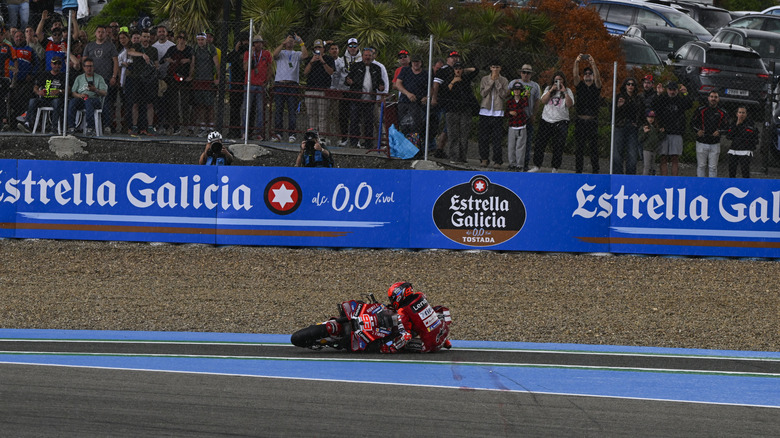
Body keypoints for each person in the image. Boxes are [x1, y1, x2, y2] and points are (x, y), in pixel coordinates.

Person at [380, 281, 451, 353]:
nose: (392, 301)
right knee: (430, 314)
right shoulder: (420, 295)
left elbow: (406, 336)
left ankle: (431, 344)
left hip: (431, 345)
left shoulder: (403, 311)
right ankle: (446, 342)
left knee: (402, 338)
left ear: (399, 295)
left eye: (392, 298)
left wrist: (392, 347)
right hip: (443, 331)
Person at [529, 71, 574, 173]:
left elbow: (570, 104)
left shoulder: (568, 90)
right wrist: (551, 90)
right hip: (546, 120)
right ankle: (537, 166)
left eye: (560, 80)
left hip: (561, 121)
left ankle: (555, 168)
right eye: (556, 80)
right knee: (540, 143)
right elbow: (543, 101)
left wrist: (564, 92)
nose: (558, 82)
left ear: (563, 81)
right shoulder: (548, 88)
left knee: (558, 145)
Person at [271, 32, 308, 143]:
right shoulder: (281, 52)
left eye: (292, 40)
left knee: (292, 110)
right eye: (288, 40)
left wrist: (301, 42)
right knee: (279, 110)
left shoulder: (296, 54)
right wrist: (283, 43)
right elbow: (274, 55)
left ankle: (292, 134)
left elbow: (305, 55)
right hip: (280, 84)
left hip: (292, 84)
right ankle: (278, 133)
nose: (290, 42)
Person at [345, 47, 384, 148]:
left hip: (370, 100)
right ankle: (354, 141)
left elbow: (380, 81)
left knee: (368, 122)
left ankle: (368, 142)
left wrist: (381, 86)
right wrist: (349, 81)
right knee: (354, 120)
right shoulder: (355, 66)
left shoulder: (377, 68)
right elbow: (348, 79)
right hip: (357, 98)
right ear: (362, 56)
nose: (367, 57)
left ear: (372, 57)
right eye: (366, 55)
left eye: (369, 56)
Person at [83, 24, 119, 134]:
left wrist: (114, 76)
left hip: (106, 79)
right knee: (90, 100)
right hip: (91, 79)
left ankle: (107, 125)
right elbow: (84, 61)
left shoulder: (110, 46)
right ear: (95, 33)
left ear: (105, 33)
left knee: (106, 102)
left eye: (103, 32)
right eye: (98, 31)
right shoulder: (89, 46)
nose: (100, 34)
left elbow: (115, 62)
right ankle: (91, 126)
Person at [653, 81, 693, 176]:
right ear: (667, 90)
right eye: (670, 89)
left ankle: (674, 179)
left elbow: (689, 104)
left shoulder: (680, 100)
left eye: (674, 90)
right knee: (663, 157)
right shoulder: (662, 98)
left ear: (677, 90)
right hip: (664, 132)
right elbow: (654, 105)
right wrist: (658, 93)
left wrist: (685, 93)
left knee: (675, 158)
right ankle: (664, 178)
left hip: (676, 132)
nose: (672, 92)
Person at [442, 61, 478, 163]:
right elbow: (445, 91)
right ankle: (453, 156)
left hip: (465, 110)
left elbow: (476, 70)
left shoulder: (466, 79)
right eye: (456, 68)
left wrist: (465, 69)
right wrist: (454, 81)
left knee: (464, 134)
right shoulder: (449, 78)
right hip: (452, 110)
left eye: (460, 68)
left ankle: (462, 157)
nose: (458, 70)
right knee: (453, 134)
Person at [18, 56, 65, 133]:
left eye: (59, 64)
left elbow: (68, 90)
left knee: (56, 102)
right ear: (51, 64)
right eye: (55, 63)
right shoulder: (44, 74)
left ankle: (54, 127)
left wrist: (59, 91)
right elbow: (35, 87)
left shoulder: (63, 76)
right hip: (44, 99)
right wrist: (38, 92)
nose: (57, 65)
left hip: (57, 100)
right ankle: (28, 124)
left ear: (61, 65)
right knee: (32, 101)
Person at [572, 54, 602, 174]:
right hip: (580, 121)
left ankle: (596, 172)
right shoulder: (580, 86)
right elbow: (575, 75)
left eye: (590, 73)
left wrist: (593, 64)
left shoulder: (596, 86)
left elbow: (598, 79)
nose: (588, 75)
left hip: (592, 121)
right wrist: (576, 62)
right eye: (585, 74)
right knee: (579, 148)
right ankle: (578, 171)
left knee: (593, 149)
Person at [430, 50, 463, 158]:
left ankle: (440, 149)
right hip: (441, 101)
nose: (455, 59)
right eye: (452, 57)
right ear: (447, 59)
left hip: (452, 102)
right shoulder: (443, 70)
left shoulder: (457, 70)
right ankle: (434, 147)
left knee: (447, 127)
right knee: (436, 125)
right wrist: (434, 98)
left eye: (457, 57)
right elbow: (436, 84)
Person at [508, 64, 541, 171]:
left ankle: (523, 165)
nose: (526, 74)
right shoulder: (514, 82)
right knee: (512, 144)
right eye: (524, 72)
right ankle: (512, 163)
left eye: (528, 73)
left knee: (525, 144)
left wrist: (533, 114)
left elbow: (537, 101)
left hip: (527, 117)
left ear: (531, 74)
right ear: (520, 73)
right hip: (514, 119)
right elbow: (507, 95)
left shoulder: (535, 86)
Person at [127, 29, 159, 135]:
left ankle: (149, 126)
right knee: (135, 103)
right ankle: (135, 126)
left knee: (149, 104)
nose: (146, 39)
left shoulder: (153, 50)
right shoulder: (136, 47)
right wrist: (142, 55)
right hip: (137, 78)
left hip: (149, 80)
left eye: (148, 37)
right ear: (140, 37)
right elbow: (129, 52)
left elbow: (156, 64)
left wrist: (154, 67)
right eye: (144, 37)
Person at [478, 60, 509, 168]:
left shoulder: (504, 80)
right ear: (490, 68)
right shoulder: (485, 79)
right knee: (483, 137)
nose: (495, 69)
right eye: (493, 67)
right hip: (485, 111)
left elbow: (504, 95)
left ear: (500, 68)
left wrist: (497, 83)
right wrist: (491, 81)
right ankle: (484, 159)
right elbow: (483, 93)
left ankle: (497, 160)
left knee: (497, 138)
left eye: (497, 67)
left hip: (497, 112)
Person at [160, 32, 192, 136]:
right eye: (180, 38)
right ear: (177, 39)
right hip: (173, 78)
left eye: (183, 38)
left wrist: (188, 60)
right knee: (173, 103)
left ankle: (186, 126)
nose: (181, 40)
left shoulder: (189, 50)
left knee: (185, 103)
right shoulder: (172, 49)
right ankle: (175, 126)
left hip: (185, 78)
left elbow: (194, 61)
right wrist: (168, 59)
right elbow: (162, 60)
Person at [303, 38, 334, 145]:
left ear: (323, 49)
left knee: (323, 115)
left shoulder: (329, 59)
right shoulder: (309, 59)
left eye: (319, 47)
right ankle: (312, 135)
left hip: (323, 90)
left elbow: (330, 72)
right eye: (316, 48)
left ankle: (322, 136)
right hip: (310, 90)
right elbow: (305, 73)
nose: (317, 50)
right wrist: (311, 62)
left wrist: (322, 61)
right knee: (312, 114)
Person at [188, 32, 219, 137]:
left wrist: (219, 78)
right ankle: (202, 127)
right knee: (200, 104)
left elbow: (216, 63)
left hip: (208, 80)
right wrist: (190, 75)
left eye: (202, 39)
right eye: (199, 39)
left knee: (209, 105)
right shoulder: (195, 49)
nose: (200, 41)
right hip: (198, 80)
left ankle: (211, 127)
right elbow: (193, 63)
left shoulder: (211, 49)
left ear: (206, 40)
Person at [67, 57, 108, 135]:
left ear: (93, 67)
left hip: (95, 99)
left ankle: (90, 128)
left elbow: (104, 93)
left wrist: (95, 90)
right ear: (83, 67)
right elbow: (73, 92)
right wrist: (80, 95)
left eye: (91, 66)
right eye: (87, 66)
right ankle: (71, 127)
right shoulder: (79, 78)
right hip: (81, 99)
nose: (89, 68)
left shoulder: (99, 78)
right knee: (72, 102)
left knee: (89, 102)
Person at [332, 37, 360, 146]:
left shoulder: (362, 59)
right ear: (347, 47)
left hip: (356, 92)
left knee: (355, 117)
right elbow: (336, 76)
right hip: (343, 91)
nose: (352, 48)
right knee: (343, 116)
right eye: (350, 46)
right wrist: (335, 88)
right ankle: (344, 139)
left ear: (357, 47)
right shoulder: (340, 60)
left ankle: (356, 140)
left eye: (354, 46)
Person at [242, 34, 272, 140]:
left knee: (260, 109)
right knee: (247, 108)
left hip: (260, 85)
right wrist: (251, 55)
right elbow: (245, 68)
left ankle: (260, 133)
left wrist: (266, 81)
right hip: (249, 84)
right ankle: (244, 132)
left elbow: (269, 68)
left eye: (260, 42)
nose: (258, 44)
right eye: (256, 42)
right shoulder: (247, 53)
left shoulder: (267, 54)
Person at [692, 90, 726, 178]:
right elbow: (692, 123)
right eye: (712, 97)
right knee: (701, 166)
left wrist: (719, 131)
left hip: (715, 143)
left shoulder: (722, 112)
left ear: (718, 99)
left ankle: (712, 186)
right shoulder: (701, 110)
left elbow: (727, 127)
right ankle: (700, 185)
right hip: (701, 142)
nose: (713, 99)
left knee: (713, 167)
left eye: (715, 97)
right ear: (708, 98)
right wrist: (697, 131)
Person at [394, 54, 428, 143]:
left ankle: (415, 146)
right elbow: (398, 84)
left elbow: (431, 88)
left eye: (418, 62)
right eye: (414, 62)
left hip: (417, 104)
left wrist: (426, 97)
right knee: (404, 125)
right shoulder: (405, 71)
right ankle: (404, 146)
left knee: (415, 127)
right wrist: (407, 94)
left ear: (421, 63)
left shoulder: (425, 73)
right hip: (404, 102)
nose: (416, 64)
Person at [613, 77, 643, 174]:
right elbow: (612, 113)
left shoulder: (638, 99)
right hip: (620, 126)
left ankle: (630, 177)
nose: (630, 86)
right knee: (617, 153)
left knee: (632, 155)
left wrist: (637, 123)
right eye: (628, 84)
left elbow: (641, 113)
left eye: (632, 84)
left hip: (632, 127)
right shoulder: (619, 97)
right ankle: (617, 176)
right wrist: (618, 106)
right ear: (625, 86)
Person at [725, 106, 757, 178]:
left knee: (745, 170)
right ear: (737, 114)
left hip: (745, 150)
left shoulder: (750, 124)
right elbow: (729, 136)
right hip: (734, 149)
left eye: (743, 113)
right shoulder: (733, 123)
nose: (741, 114)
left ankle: (746, 186)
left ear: (746, 114)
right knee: (732, 170)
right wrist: (737, 125)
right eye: (740, 112)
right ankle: (732, 185)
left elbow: (750, 136)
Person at [506, 82, 529, 170]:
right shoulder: (509, 101)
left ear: (521, 91)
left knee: (520, 147)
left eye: (518, 90)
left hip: (521, 126)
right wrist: (509, 112)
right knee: (511, 146)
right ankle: (512, 163)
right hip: (512, 126)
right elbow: (506, 113)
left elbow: (524, 105)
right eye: (515, 90)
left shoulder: (523, 100)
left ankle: (519, 164)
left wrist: (526, 96)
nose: (516, 92)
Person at [638, 110, 665, 176]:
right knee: (647, 166)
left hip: (654, 149)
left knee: (653, 166)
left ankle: (652, 179)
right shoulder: (644, 127)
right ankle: (645, 180)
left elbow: (660, 137)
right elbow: (640, 139)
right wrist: (645, 133)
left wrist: (662, 132)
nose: (650, 119)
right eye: (649, 117)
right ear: (646, 118)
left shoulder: (655, 127)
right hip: (647, 149)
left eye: (652, 117)